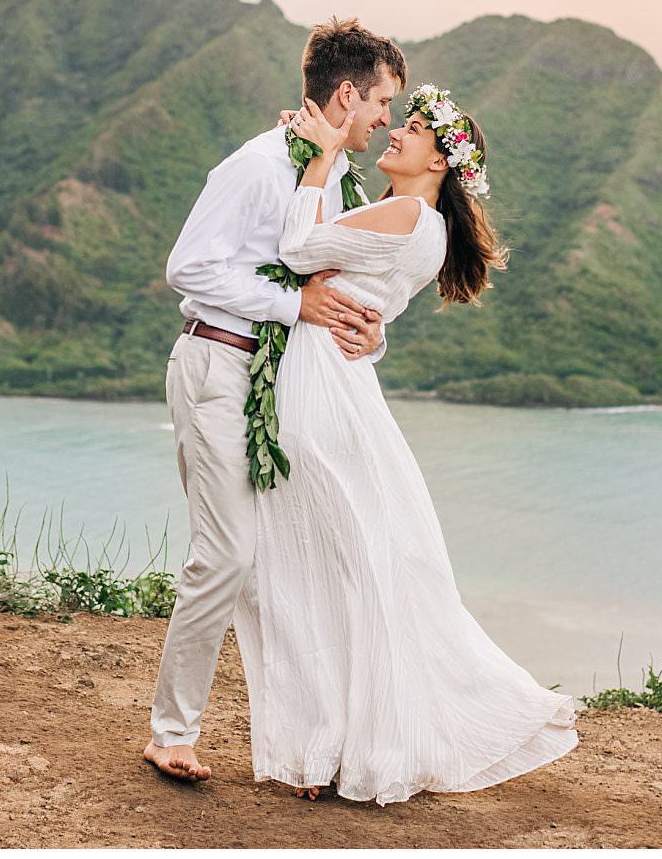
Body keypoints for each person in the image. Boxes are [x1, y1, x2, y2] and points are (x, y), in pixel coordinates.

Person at [232, 86, 578, 806]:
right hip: (340, 381)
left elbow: (297, 249)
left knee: (304, 562)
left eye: (415, 129)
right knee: (344, 561)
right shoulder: (425, 228)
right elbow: (366, 298)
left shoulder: (408, 211)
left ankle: (321, 745)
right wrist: (373, 326)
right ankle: (328, 742)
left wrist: (322, 156)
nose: (397, 133)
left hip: (316, 385)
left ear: (442, 163)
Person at [143, 17, 408, 784]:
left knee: (295, 562)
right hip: (218, 365)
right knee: (225, 553)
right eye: (383, 101)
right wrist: (296, 307)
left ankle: (314, 740)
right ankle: (171, 732)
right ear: (347, 93)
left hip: (285, 387)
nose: (387, 118)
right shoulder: (257, 165)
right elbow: (187, 268)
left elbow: (336, 292)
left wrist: (365, 334)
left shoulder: (342, 182)